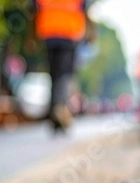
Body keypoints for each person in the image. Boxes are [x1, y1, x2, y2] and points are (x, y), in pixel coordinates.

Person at [32, 0, 95, 133]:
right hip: (69, 32)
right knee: (65, 74)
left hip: (48, 31)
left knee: (54, 74)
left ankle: (55, 109)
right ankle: (60, 108)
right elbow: (86, 7)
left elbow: (34, 8)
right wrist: (91, 31)